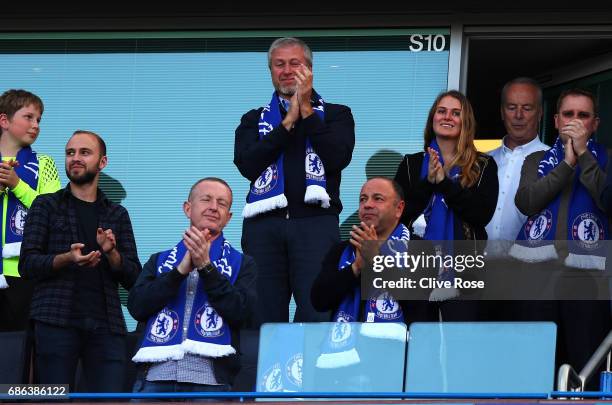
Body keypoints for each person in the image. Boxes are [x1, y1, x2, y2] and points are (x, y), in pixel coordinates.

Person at [234, 37, 355, 324]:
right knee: (261, 316)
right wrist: (287, 123)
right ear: (271, 71)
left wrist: (308, 113)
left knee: (317, 313)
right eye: (279, 64)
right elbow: (248, 164)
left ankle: (313, 371)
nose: (287, 70)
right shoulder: (254, 119)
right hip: (263, 226)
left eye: (295, 63)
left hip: (315, 224)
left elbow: (337, 157)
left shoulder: (337, 114)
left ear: (310, 70)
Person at [19, 130, 141, 391]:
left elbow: (134, 277)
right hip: (55, 322)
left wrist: (112, 253)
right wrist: (66, 258)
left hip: (107, 325)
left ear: (102, 162)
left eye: (84, 153)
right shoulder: (46, 205)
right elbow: (27, 264)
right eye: (70, 153)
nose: (75, 158)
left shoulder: (117, 214)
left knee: (109, 399)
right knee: (53, 399)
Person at [510, 89, 611, 386]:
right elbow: (526, 202)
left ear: (595, 124)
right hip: (536, 274)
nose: (575, 121)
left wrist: (583, 156)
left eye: (583, 115)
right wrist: (566, 165)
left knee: (585, 363)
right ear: (555, 120)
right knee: (535, 361)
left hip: (589, 277)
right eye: (569, 114)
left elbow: (607, 198)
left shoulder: (606, 159)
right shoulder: (536, 159)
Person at [128, 177, 257, 395]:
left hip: (211, 385)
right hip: (154, 380)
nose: (214, 207)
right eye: (206, 200)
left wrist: (207, 267)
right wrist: (179, 272)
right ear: (188, 208)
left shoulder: (243, 263)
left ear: (228, 217)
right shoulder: (159, 261)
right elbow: (137, 306)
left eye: (222, 203)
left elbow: (241, 312)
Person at [393, 90, 498, 320]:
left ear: (465, 122)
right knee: (418, 342)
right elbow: (397, 214)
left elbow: (481, 214)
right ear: (433, 118)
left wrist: (445, 184)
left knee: (460, 345)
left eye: (455, 113)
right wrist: (429, 183)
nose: (447, 117)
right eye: (441, 111)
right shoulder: (411, 164)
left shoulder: (484, 165)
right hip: (415, 267)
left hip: (465, 270)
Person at [0, 89, 61, 331]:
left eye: (39, 120)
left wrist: (17, 185)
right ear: (4, 120)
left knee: (20, 355)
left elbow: (53, 214)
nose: (35, 125)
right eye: (29, 117)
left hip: (25, 272)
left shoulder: (44, 164)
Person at [485, 78, 548, 253]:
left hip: (527, 270)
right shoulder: (481, 162)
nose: (518, 115)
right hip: (477, 267)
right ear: (502, 112)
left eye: (527, 108)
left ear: (540, 113)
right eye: (511, 108)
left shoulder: (554, 161)